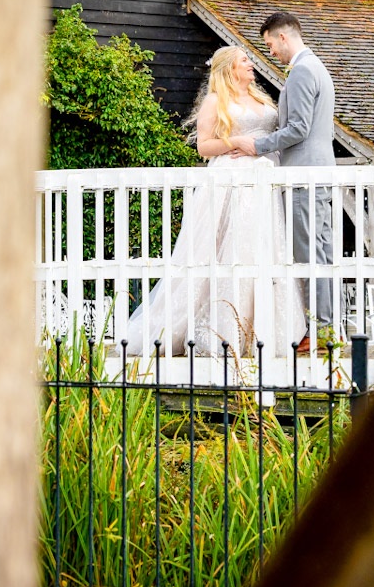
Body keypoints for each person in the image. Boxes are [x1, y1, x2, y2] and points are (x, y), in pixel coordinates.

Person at [122, 46, 305, 357]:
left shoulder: (261, 98)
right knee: (232, 249)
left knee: (264, 247)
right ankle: (224, 329)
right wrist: (235, 141)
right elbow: (204, 147)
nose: (251, 65)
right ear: (229, 68)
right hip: (230, 181)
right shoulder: (215, 101)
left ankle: (262, 330)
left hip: (263, 183)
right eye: (244, 61)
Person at [231, 11, 336, 352]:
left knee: (309, 253)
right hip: (315, 170)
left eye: (270, 45)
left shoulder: (304, 71)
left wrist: (257, 145)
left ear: (284, 37)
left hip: (305, 173)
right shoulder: (315, 67)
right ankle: (327, 327)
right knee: (319, 250)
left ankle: (320, 331)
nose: (271, 52)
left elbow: (300, 129)